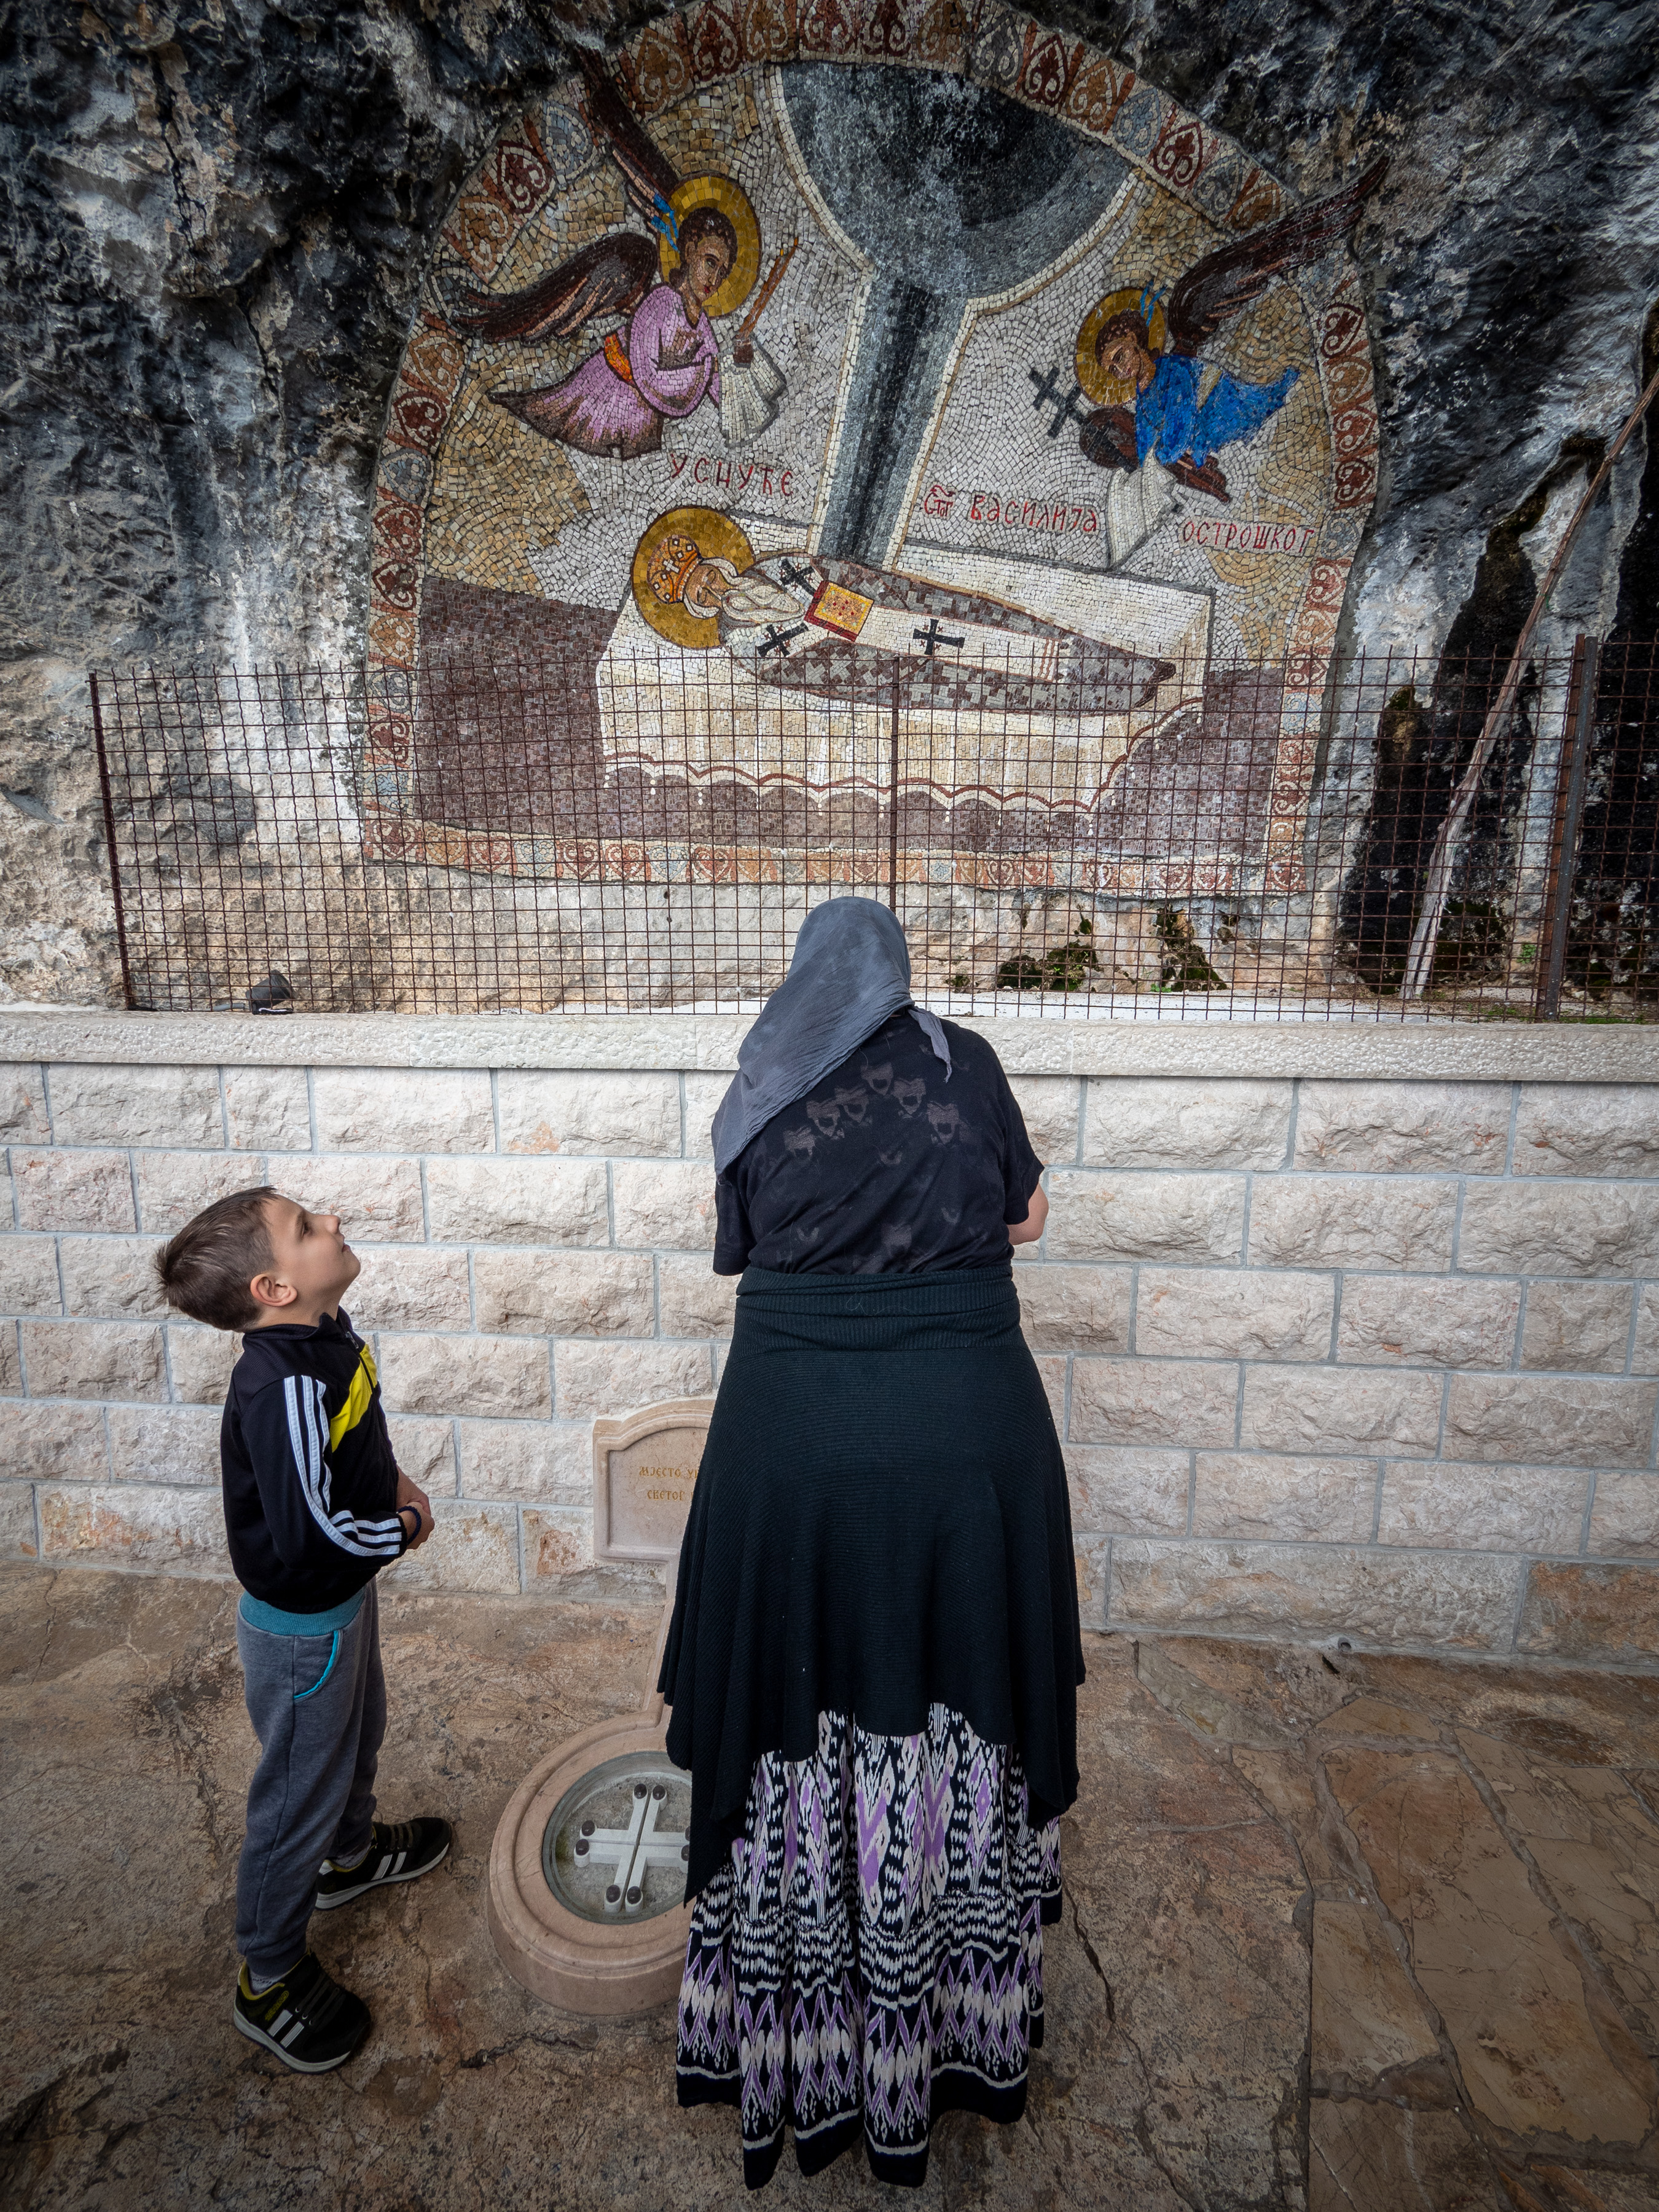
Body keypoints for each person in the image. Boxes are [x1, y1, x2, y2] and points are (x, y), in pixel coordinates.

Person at [661, 898, 1083, 2188]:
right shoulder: (966, 1062)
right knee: (958, 1695)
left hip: (795, 1448)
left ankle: (805, 2039)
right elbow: (1027, 1221)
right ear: (899, 976)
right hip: (969, 1443)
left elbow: (738, 1247)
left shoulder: (760, 1079)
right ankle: (948, 2028)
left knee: (800, 1698)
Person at [155, 1188, 452, 2074]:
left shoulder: (326, 1337)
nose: (331, 1223)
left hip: (341, 1603)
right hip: (300, 1631)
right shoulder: (277, 1381)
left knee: (360, 1735)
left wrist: (392, 1476)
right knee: (293, 1798)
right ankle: (269, 1973)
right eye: (305, 1228)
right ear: (273, 1289)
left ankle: (351, 1858)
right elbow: (310, 1528)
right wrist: (400, 1530)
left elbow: (353, 1436)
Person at [492, 205, 743, 460]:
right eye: (710, 263)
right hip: (607, 395)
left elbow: (720, 385)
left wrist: (740, 368)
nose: (714, 278)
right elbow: (649, 376)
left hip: (643, 419)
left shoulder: (702, 328)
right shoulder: (661, 301)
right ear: (690, 252)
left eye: (722, 272)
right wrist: (701, 371)